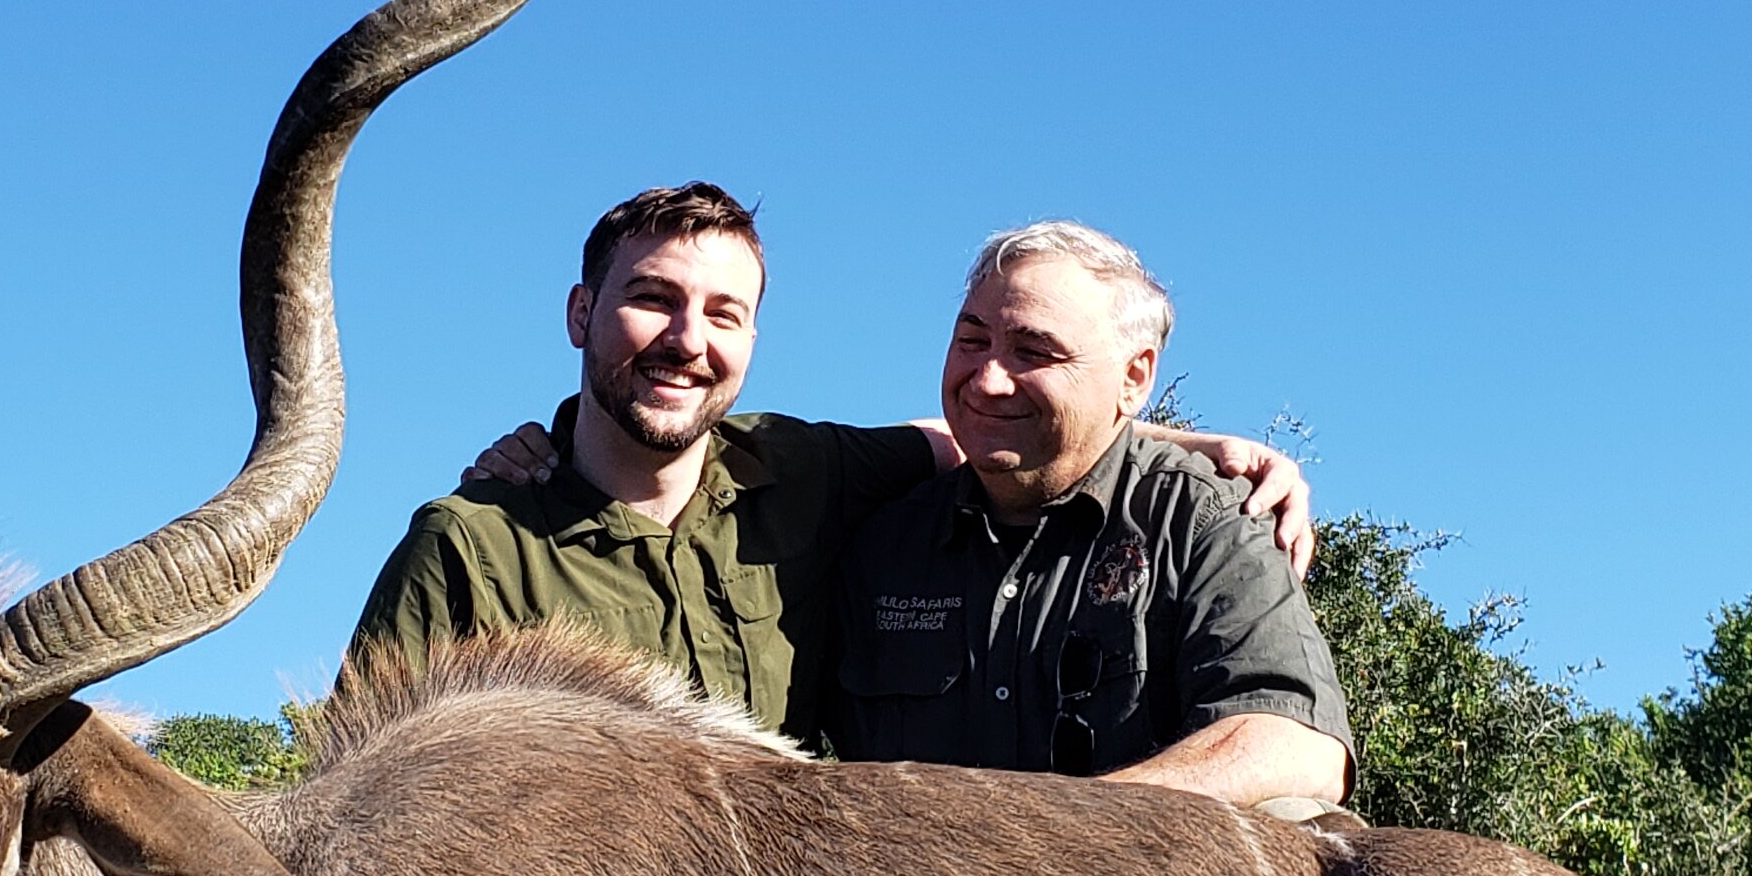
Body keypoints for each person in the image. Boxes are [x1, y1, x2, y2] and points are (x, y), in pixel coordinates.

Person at [349, 183, 1311, 751]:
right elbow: (359, 797)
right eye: (651, 300)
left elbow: (976, 428)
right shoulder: (469, 546)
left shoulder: (804, 468)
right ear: (579, 314)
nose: (687, 340)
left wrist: (1204, 446)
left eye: (724, 313)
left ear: (753, 335)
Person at [830, 221, 1352, 809]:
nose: (987, 379)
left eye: (1033, 351)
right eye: (972, 341)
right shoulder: (881, 538)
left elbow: (1297, 746)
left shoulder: (1205, 518)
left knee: (1296, 816)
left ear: (1134, 378)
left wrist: (1053, 834)